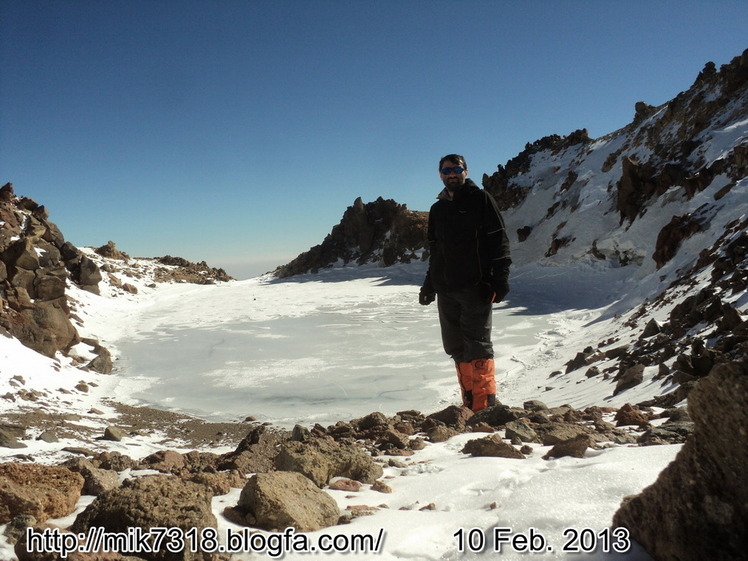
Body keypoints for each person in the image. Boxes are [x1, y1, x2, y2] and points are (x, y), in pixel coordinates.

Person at [419, 154, 511, 412]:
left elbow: (498, 240)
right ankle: (470, 407)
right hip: (446, 289)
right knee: (456, 346)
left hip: (475, 286)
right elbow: (436, 251)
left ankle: (485, 409)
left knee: (478, 345)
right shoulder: (438, 209)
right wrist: (429, 285)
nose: (452, 173)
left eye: (457, 169)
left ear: (466, 171)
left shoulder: (481, 199)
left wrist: (499, 278)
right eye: (447, 170)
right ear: (440, 174)